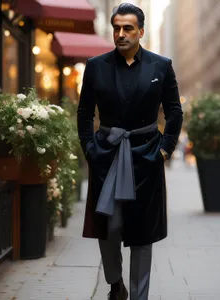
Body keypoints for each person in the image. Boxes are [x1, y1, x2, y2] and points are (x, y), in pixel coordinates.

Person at [77, 3, 183, 300]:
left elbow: (174, 112)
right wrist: (89, 148)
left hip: (146, 155)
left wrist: (164, 150)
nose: (120, 34)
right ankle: (115, 284)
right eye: (116, 28)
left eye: (127, 28)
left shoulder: (161, 66)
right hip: (106, 154)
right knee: (108, 228)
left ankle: (138, 296)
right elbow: (84, 112)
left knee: (142, 234)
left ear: (141, 32)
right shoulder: (96, 65)